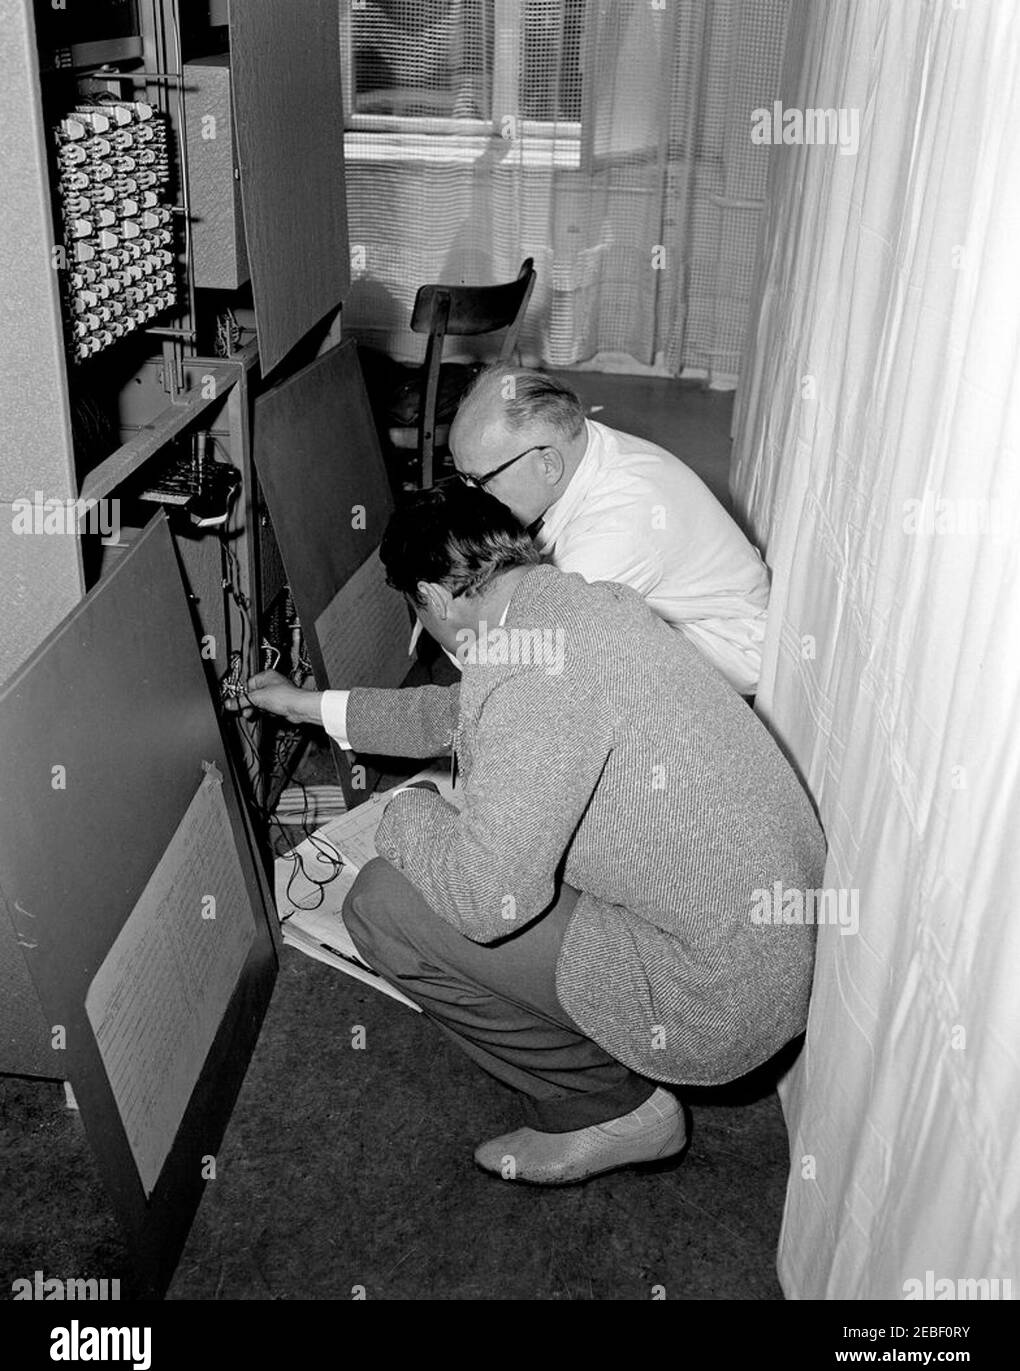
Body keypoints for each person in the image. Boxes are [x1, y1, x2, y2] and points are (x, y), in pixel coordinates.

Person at [246, 482, 825, 1185]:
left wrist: (408, 812)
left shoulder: (529, 673)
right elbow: (456, 713)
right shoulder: (583, 608)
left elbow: (486, 904)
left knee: (383, 902)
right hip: (774, 953)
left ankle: (612, 1109)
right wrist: (304, 706)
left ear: (433, 597)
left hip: (715, 1003)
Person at [446, 364, 770, 694]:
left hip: (723, 647)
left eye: (479, 481)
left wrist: (450, 618)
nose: (468, 497)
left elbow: (527, 653)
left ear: (548, 465)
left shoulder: (618, 530)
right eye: (460, 477)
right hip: (689, 606)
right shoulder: (578, 445)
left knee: (561, 682)